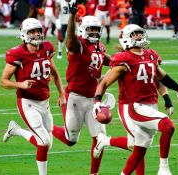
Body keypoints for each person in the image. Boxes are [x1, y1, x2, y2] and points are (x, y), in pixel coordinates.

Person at [93, 24, 178, 175]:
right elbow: (104, 82)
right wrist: (97, 100)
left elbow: (161, 77)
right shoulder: (123, 59)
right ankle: (163, 169)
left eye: (139, 33)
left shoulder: (150, 55)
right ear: (126, 39)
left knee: (138, 150)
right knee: (168, 126)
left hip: (150, 105)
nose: (138, 36)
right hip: (133, 106)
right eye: (134, 34)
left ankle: (105, 141)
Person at [51, 1, 111, 174]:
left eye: (96, 29)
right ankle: (46, 127)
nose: (93, 32)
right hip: (75, 98)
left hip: (93, 99)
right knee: (71, 140)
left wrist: (122, 61)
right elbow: (70, 39)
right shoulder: (78, 45)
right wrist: (72, 16)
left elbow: (105, 58)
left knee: (100, 139)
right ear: (83, 29)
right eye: (90, 29)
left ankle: (94, 173)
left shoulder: (99, 46)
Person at [0, 17, 65, 175]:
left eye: (38, 31)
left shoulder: (46, 48)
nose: (36, 34)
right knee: (43, 141)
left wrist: (62, 93)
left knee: (47, 145)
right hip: (27, 102)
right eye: (32, 31)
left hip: (45, 101)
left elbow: (55, 73)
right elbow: (3, 81)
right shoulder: (17, 53)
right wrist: (20, 84)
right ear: (24, 34)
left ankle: (16, 130)